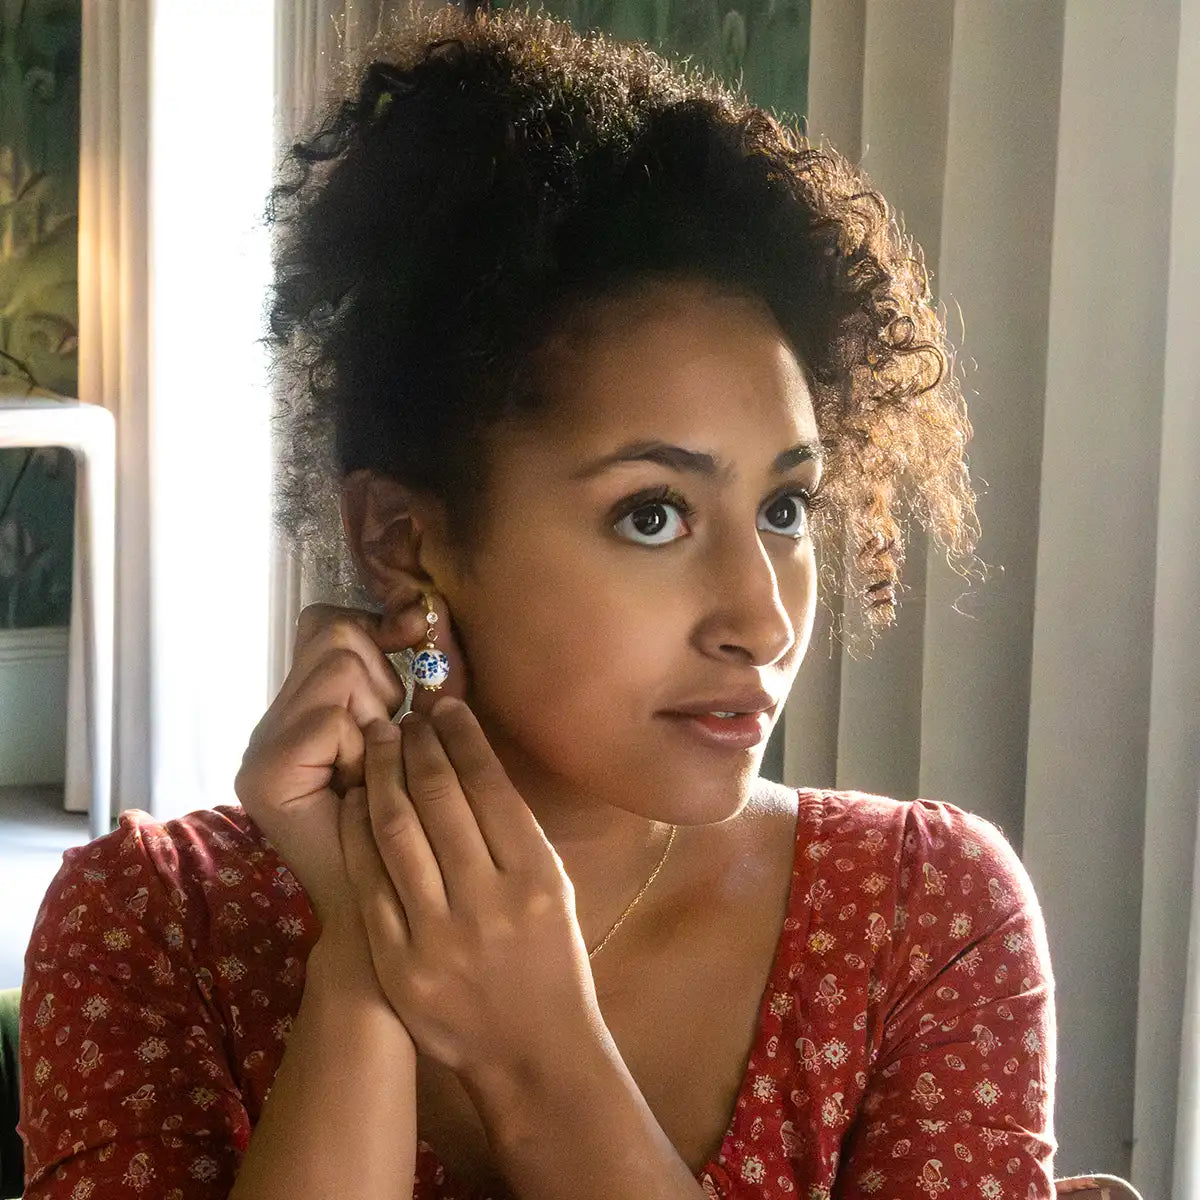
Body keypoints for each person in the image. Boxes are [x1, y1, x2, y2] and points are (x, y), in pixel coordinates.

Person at [17, 5, 1056, 1198]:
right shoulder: (151, 927)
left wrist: (541, 1059)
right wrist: (367, 956)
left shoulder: (925, 918)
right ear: (404, 541)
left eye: (786, 509)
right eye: (653, 513)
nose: (763, 620)